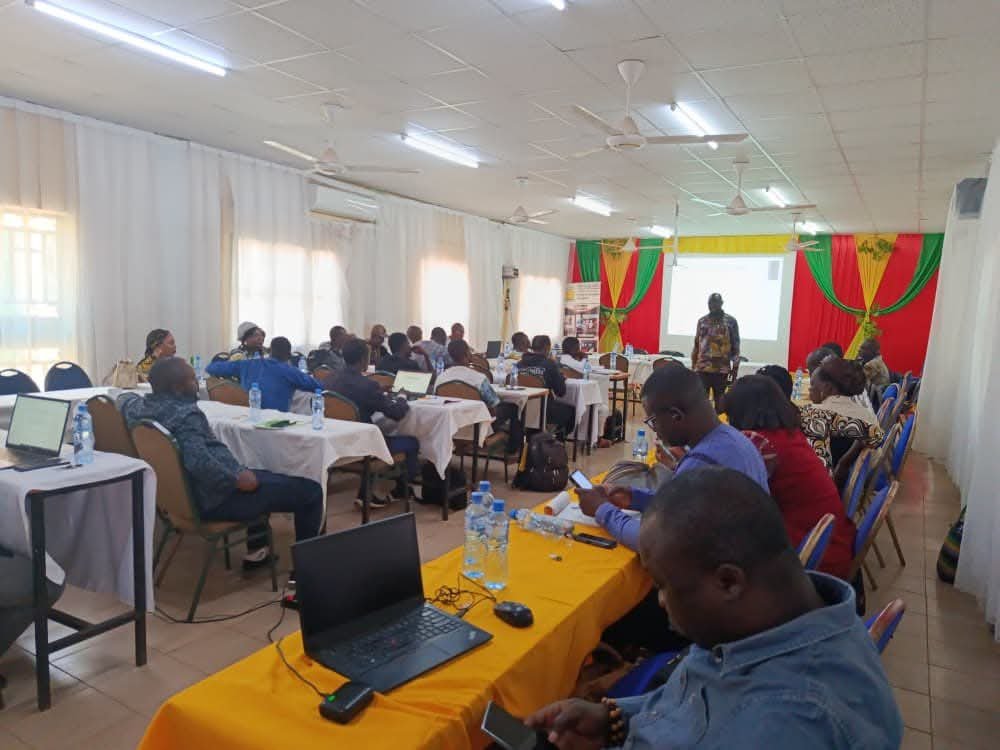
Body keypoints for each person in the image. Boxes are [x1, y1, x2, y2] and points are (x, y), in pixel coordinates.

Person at [526, 468, 902, 750]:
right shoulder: (756, 628)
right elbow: (690, 704)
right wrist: (614, 720)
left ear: (728, 582)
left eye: (663, 586)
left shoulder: (788, 724)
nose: (660, 601)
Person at [119, 358, 323, 569]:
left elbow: (123, 398)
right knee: (311, 491)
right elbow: (199, 463)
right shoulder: (186, 416)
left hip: (179, 500)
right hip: (215, 498)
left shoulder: (137, 409)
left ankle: (258, 552)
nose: (197, 384)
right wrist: (236, 479)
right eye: (192, 380)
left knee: (265, 474)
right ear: (178, 388)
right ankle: (307, 570)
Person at [577, 364, 769, 551]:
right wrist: (634, 498)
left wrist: (602, 509)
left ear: (676, 416)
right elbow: (688, 506)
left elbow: (655, 542)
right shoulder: (735, 440)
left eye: (653, 421)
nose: (654, 430)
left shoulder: (703, 463)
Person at [725, 375, 856, 582]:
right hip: (829, 544)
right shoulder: (789, 434)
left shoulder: (761, 443)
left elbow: (730, 496)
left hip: (811, 562)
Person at [321, 339, 419, 508]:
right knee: (412, 443)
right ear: (362, 359)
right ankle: (398, 490)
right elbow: (396, 413)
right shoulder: (367, 386)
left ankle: (367, 492)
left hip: (335, 442)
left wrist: (379, 391)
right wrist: (402, 396)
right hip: (363, 445)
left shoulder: (329, 379)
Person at [802, 356, 883, 478]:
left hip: (832, 481)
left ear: (827, 388)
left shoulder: (815, 415)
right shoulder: (866, 413)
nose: (809, 389)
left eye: (812, 385)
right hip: (862, 479)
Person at [437, 340, 522, 451]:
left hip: (452, 423)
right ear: (467, 354)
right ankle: (512, 449)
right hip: (476, 423)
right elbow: (494, 405)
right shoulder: (479, 378)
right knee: (513, 408)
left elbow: (438, 403)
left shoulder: (441, 378)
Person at [206, 337, 321, 413]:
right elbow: (318, 387)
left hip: (245, 419)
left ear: (270, 351)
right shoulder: (291, 372)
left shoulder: (247, 364)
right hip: (276, 423)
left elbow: (210, 368)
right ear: (288, 356)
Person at [518, 335, 576, 438]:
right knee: (571, 410)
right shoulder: (549, 364)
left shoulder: (520, 363)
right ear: (547, 348)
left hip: (522, 408)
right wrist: (560, 378)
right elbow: (561, 392)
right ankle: (556, 441)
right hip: (544, 410)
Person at [691, 292, 740, 412]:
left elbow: (736, 347)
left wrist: (734, 369)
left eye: (715, 302)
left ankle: (718, 424)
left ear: (721, 303)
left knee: (720, 405)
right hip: (702, 369)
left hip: (721, 370)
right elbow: (697, 345)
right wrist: (693, 367)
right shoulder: (702, 321)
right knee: (701, 404)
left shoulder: (731, 321)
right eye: (710, 303)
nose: (712, 305)